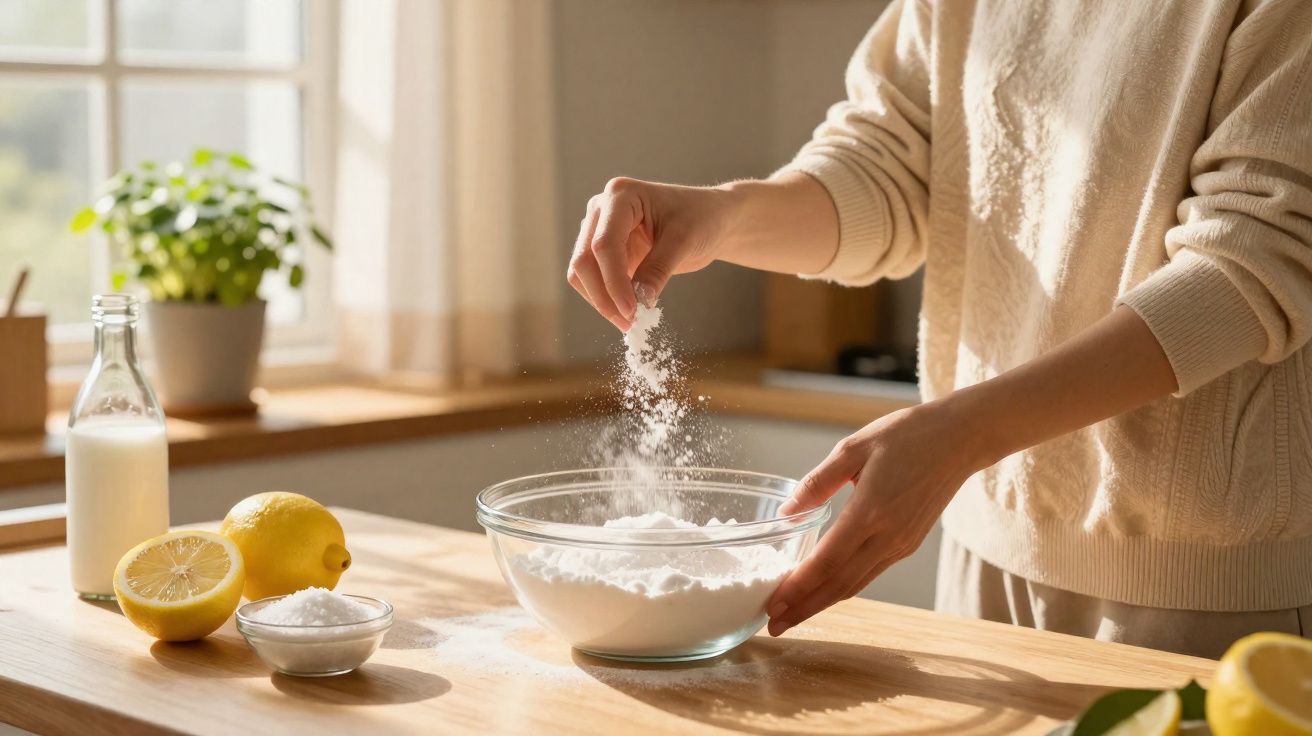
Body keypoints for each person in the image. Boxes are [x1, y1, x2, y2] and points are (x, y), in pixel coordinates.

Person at [566, 0, 1312, 658]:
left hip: (1208, 590)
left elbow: (1253, 264)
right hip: (982, 552)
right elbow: (892, 166)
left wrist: (962, 434)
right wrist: (725, 214)